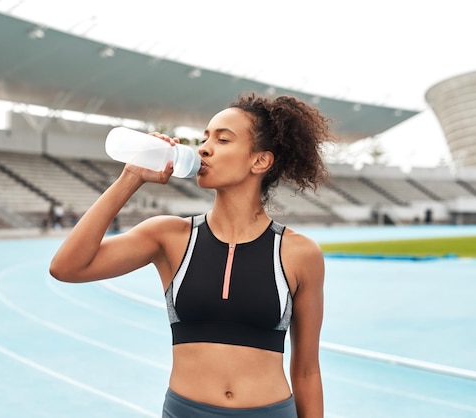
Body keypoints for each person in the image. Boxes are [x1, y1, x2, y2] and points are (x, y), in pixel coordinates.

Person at [49, 92, 331, 418]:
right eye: (204, 138)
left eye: (223, 140)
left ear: (260, 161)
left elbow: (307, 371)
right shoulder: (168, 237)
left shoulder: (299, 253)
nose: (204, 148)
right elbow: (66, 267)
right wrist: (131, 177)